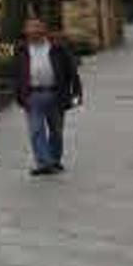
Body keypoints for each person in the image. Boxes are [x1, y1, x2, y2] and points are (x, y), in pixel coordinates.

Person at [14, 17, 82, 176]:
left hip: (56, 94)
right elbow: (17, 74)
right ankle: (44, 163)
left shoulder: (58, 47)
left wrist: (77, 95)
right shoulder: (21, 49)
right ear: (25, 32)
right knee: (36, 131)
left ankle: (55, 160)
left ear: (44, 30)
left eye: (37, 28)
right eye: (30, 29)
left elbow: (72, 71)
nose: (34, 32)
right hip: (32, 95)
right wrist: (19, 96)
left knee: (56, 131)